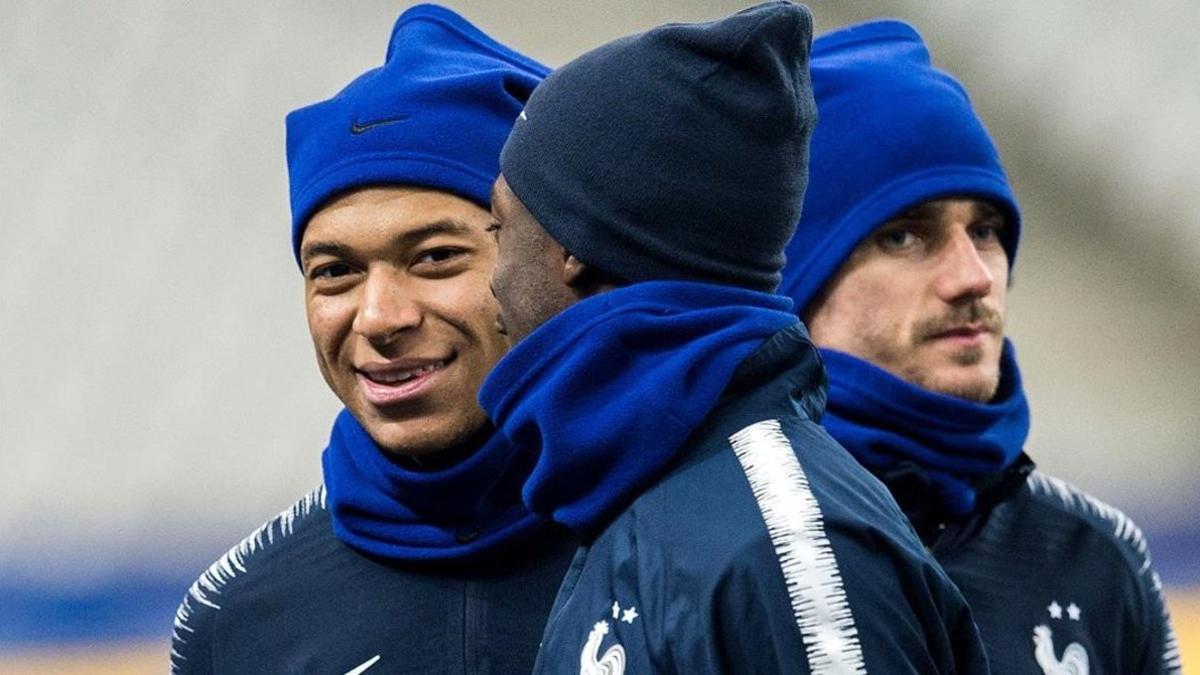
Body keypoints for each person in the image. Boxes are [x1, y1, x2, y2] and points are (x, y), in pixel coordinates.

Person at [480, 3, 989, 673]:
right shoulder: (655, 494)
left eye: (500, 228)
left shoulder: (782, 546)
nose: (491, 281)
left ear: (572, 245)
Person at [169, 6, 576, 673]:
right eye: (335, 272)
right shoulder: (237, 615)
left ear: (550, 259)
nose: (379, 317)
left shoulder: (691, 551)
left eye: (435, 257)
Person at [780, 19, 1182, 674]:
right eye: (905, 235)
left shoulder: (1096, 555)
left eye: (988, 229)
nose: (972, 275)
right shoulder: (713, 551)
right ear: (798, 274)